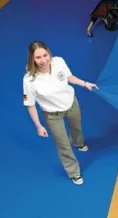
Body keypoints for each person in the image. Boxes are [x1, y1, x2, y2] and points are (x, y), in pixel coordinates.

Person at [22, 41, 98, 185]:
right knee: (63, 144)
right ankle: (74, 172)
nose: (44, 60)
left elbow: (69, 77)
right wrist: (38, 125)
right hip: (53, 115)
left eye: (45, 55)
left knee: (77, 128)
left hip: (71, 104)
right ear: (32, 59)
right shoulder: (29, 80)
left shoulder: (59, 61)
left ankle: (78, 143)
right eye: (38, 57)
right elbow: (30, 105)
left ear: (49, 53)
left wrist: (85, 83)